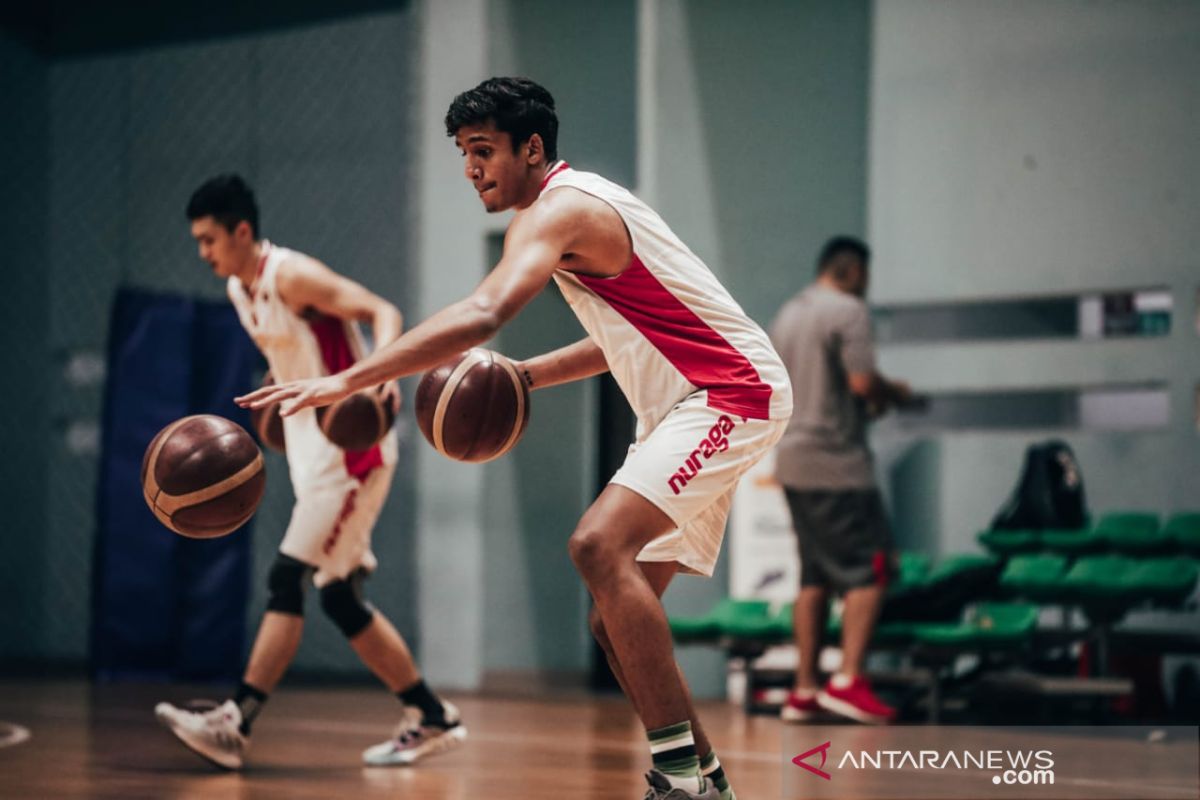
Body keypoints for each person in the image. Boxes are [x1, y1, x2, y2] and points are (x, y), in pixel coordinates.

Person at [237, 78, 792, 800]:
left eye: (483, 150)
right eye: (464, 154)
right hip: (686, 400)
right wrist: (526, 377)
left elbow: (482, 311)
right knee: (610, 619)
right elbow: (618, 342)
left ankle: (680, 782)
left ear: (533, 148)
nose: (471, 169)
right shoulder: (576, 210)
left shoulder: (559, 212)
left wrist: (348, 378)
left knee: (597, 546)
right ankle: (708, 780)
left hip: (729, 393)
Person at [155, 174, 465, 770]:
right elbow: (297, 355)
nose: (204, 252)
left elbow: (380, 308)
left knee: (285, 578)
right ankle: (430, 715)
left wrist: (381, 377)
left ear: (243, 231)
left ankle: (235, 721)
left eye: (210, 239)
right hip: (310, 457)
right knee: (340, 599)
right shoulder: (239, 289)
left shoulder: (291, 276)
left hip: (351, 459)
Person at [769, 236, 910, 725]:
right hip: (837, 461)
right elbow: (861, 383)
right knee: (871, 570)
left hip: (791, 458)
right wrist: (897, 394)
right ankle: (849, 679)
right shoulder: (848, 311)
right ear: (852, 271)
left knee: (814, 576)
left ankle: (803, 689)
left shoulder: (788, 314)